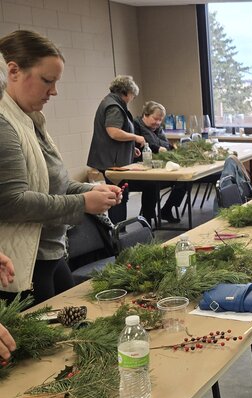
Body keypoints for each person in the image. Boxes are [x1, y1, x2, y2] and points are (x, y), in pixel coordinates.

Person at [0, 30, 120, 304]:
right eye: (47, 81)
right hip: (25, 266)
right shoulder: (4, 125)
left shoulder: (31, 119)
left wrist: (92, 191)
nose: (53, 91)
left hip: (51, 254)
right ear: (14, 70)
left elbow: (55, 184)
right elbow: (11, 202)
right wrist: (81, 203)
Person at [87, 75, 145, 224]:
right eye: (132, 95)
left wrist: (130, 149)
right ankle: (118, 231)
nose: (132, 99)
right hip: (111, 161)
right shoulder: (114, 106)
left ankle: (118, 230)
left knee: (119, 196)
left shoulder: (111, 102)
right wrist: (135, 137)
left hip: (113, 158)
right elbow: (113, 132)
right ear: (126, 92)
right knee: (118, 196)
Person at [133, 101, 187, 223]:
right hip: (142, 169)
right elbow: (139, 145)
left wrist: (173, 148)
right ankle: (147, 218)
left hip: (160, 166)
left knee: (184, 181)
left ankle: (167, 209)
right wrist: (157, 148)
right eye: (155, 119)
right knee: (151, 184)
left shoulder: (158, 128)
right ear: (145, 115)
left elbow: (165, 144)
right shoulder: (135, 125)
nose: (157, 123)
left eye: (160, 120)